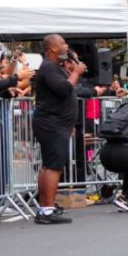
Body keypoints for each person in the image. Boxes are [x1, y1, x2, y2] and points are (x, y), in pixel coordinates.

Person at [31, 35, 88, 224]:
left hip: (59, 124)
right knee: (53, 167)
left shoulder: (56, 67)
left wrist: (69, 124)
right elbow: (63, 89)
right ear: (53, 48)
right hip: (51, 123)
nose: (66, 46)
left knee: (49, 165)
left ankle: (46, 207)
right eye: (63, 43)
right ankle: (46, 210)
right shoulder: (48, 66)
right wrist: (76, 72)